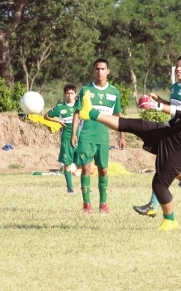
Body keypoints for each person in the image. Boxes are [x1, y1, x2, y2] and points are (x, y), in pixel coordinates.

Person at [79, 69, 181, 230]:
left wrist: (156, 105)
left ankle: (170, 220)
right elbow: (180, 116)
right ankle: (91, 113)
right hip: (170, 136)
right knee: (135, 124)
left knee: (159, 184)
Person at [133, 55, 181, 217]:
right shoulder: (174, 87)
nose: (178, 69)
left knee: (165, 165)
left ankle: (154, 205)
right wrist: (159, 100)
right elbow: (174, 107)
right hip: (172, 128)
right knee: (164, 165)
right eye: (177, 66)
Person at [71, 58, 126, 214]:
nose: (99, 72)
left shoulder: (114, 92)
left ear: (108, 71)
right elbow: (77, 113)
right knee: (87, 168)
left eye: (102, 69)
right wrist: (73, 134)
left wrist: (122, 136)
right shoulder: (86, 90)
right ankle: (87, 204)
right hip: (86, 135)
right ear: (93, 71)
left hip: (103, 137)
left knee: (103, 170)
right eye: (97, 69)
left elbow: (118, 115)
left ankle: (103, 203)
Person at [44, 83, 78, 194]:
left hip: (80, 136)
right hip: (66, 136)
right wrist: (58, 120)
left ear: (75, 94)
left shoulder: (79, 105)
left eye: (72, 93)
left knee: (84, 161)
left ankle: (85, 186)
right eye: (67, 93)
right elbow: (46, 116)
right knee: (67, 163)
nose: (70, 95)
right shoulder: (60, 107)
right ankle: (70, 187)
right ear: (64, 94)